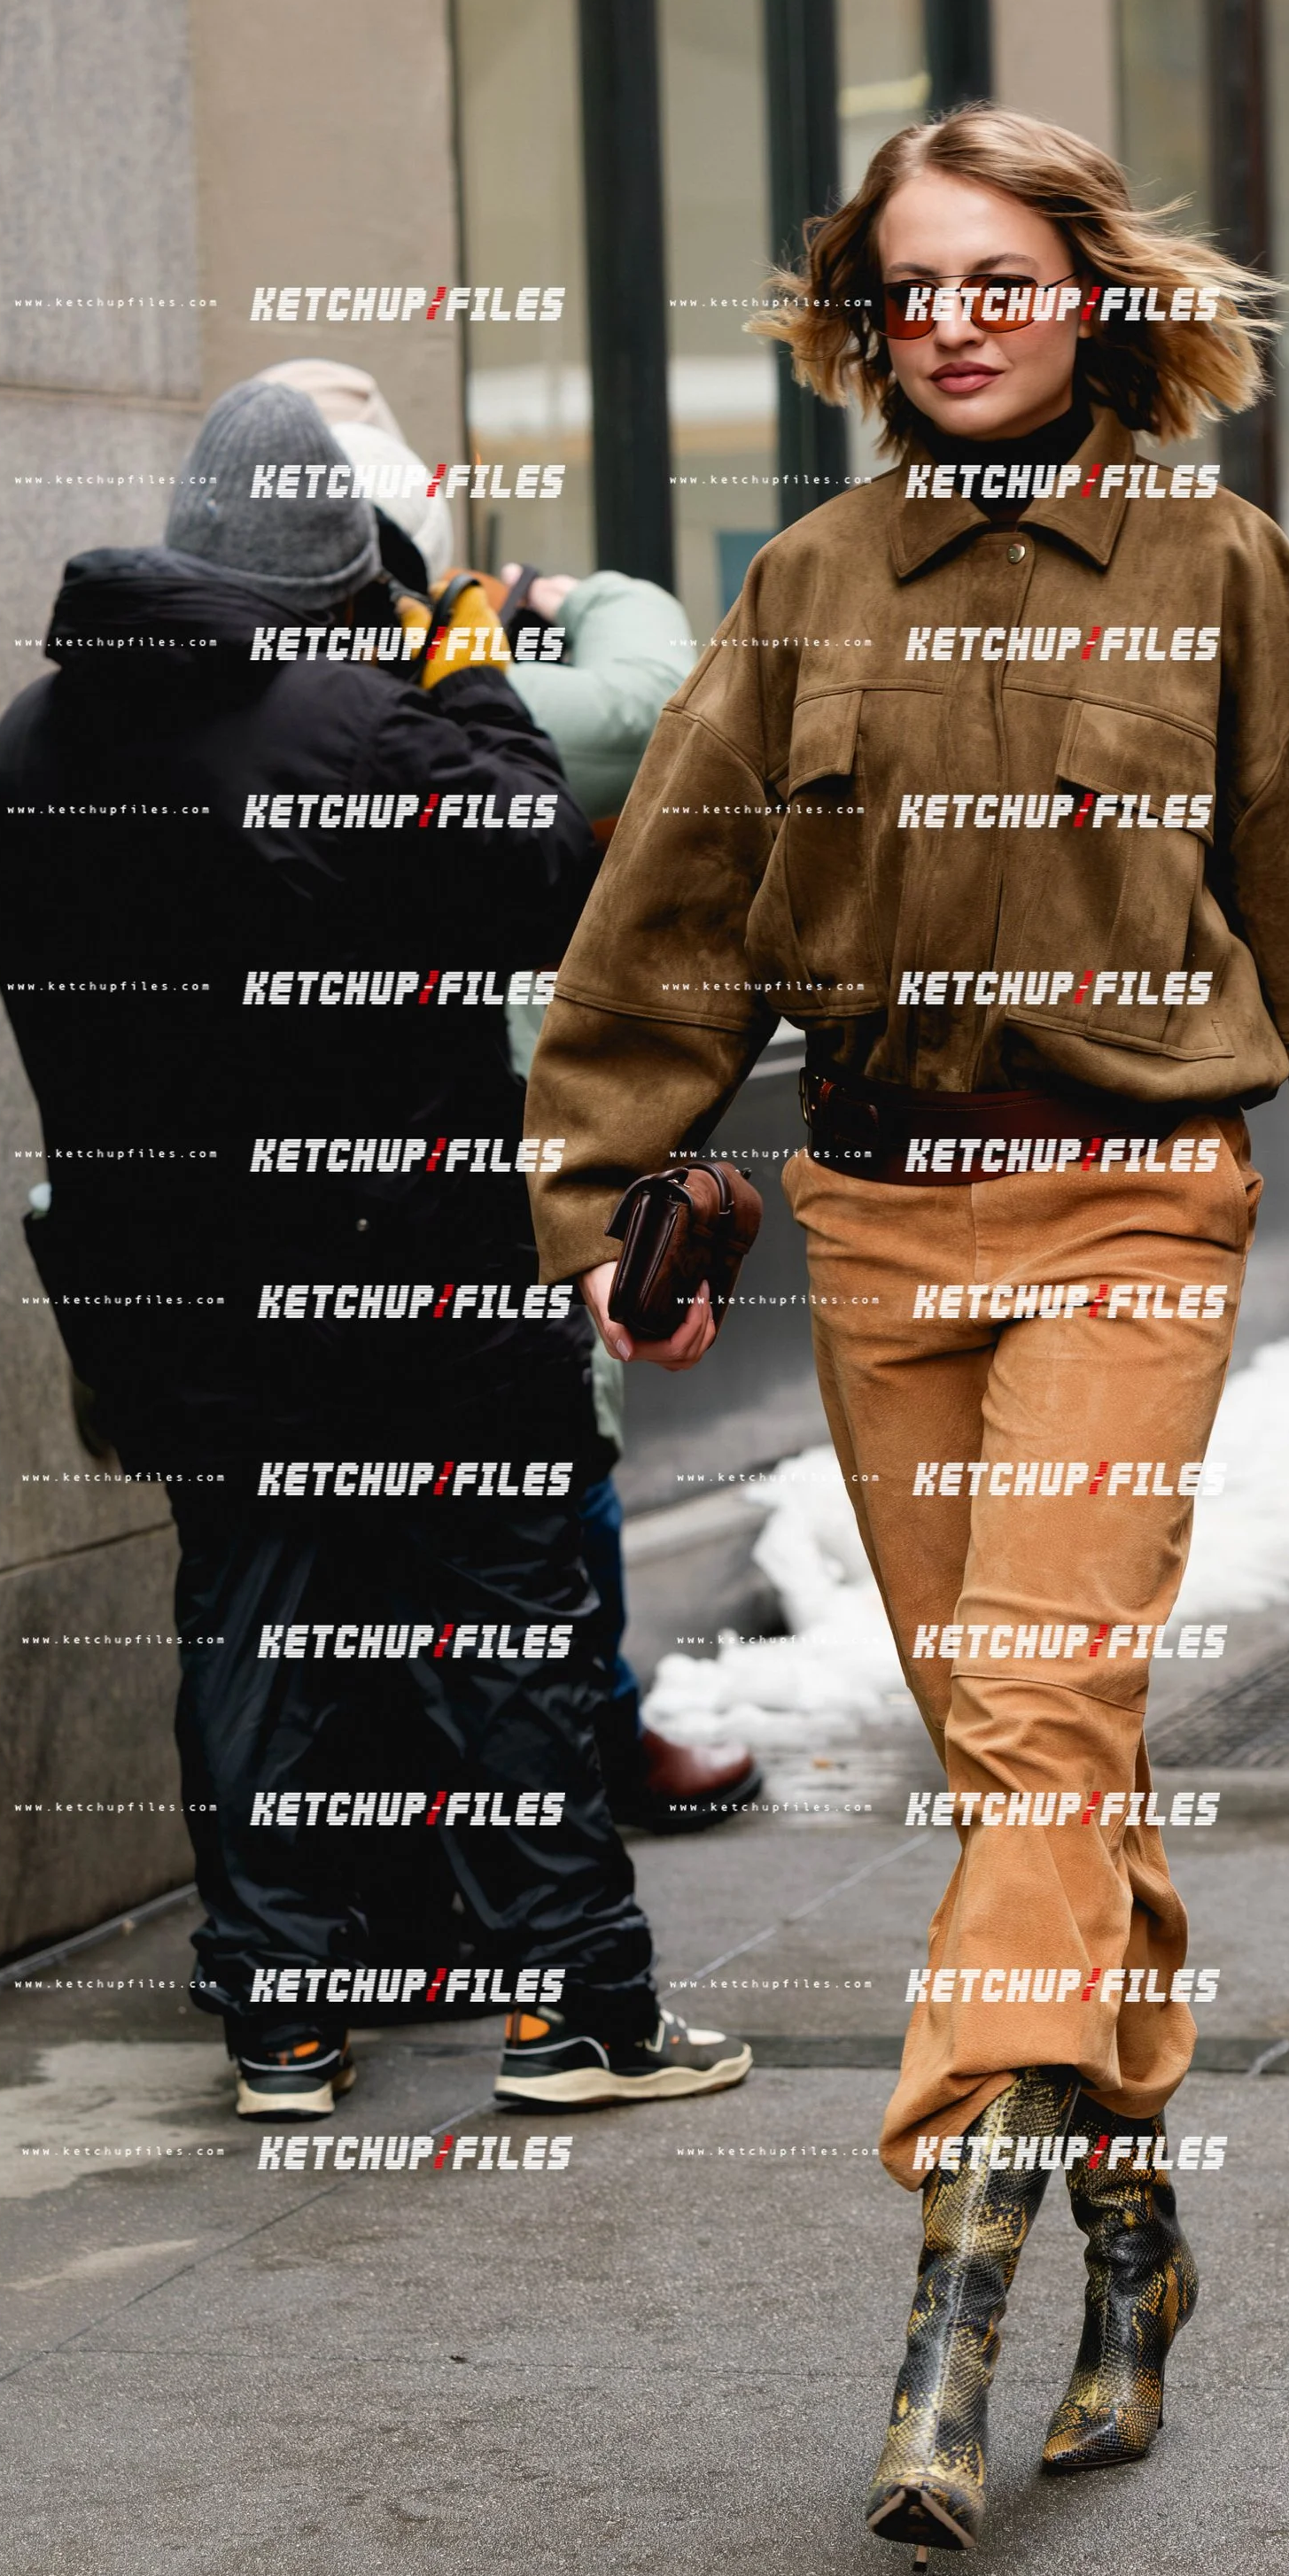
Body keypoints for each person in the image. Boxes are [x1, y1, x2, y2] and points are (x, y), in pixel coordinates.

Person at [523, 105, 1289, 2553]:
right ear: (862, 312)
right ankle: (1136, 2228)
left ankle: (959, 2275)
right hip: (887, 1234)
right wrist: (606, 1182)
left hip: (1137, 1205)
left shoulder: (1214, 568)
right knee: (1028, 1767)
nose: (951, 319)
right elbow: (671, 913)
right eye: (909, 285)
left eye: (996, 277)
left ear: (1090, 299)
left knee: (1040, 1709)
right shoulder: (808, 580)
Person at [0, 374, 749, 2119]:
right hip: (411, 1275)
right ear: (342, 570)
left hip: (172, 1289)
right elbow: (543, 857)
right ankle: (578, 2022)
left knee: (249, 1629)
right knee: (505, 1633)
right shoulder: (364, 724)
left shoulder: (37, 740)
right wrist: (462, 657)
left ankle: (281, 2028)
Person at [258, 357, 762, 1839]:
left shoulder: (186, 710)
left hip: (301, 1202)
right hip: (444, 1172)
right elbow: (659, 687)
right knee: (544, 1470)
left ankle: (387, 1873)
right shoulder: (414, 701)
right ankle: (576, 1780)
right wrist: (536, 595)